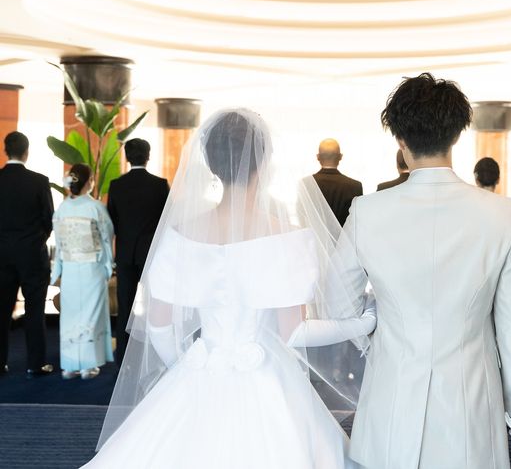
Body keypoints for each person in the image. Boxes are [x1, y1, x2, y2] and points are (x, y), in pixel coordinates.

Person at [82, 109, 376, 469]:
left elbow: (158, 325)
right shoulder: (286, 238)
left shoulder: (179, 236)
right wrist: (362, 323)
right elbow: (294, 332)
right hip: (266, 374)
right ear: (264, 163)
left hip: (202, 366)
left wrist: (190, 366)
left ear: (210, 164)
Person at [345, 73, 511, 469]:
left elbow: (339, 303)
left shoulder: (366, 212)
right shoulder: (501, 213)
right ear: (457, 134)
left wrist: (376, 331)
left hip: (391, 388)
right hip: (472, 393)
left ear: (399, 139)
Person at [107, 139, 169, 366]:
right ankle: (153, 354)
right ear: (148, 156)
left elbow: (112, 220)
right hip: (151, 254)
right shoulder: (160, 185)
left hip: (125, 253)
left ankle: (123, 357)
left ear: (127, 157)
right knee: (154, 304)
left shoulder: (116, 185)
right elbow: (166, 220)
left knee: (125, 304)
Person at [51, 164, 114, 380]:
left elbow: (59, 241)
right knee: (91, 313)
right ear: (89, 182)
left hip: (69, 267)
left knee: (70, 314)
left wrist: (58, 267)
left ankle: (69, 366)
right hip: (91, 268)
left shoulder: (62, 208)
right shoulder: (95, 207)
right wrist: (108, 263)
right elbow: (106, 237)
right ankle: (89, 365)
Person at [0, 131, 54, 377]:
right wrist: (35, 241)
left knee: (1, 310)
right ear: (26, 152)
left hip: (2, 255)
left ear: (6, 151)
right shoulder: (39, 181)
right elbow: (49, 220)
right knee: (35, 309)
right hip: (32, 254)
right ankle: (35, 364)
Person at [312, 138, 363, 226]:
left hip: (314, 235)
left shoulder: (305, 184)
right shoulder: (355, 186)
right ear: (340, 157)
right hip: (344, 234)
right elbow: (357, 220)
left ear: (318, 157)